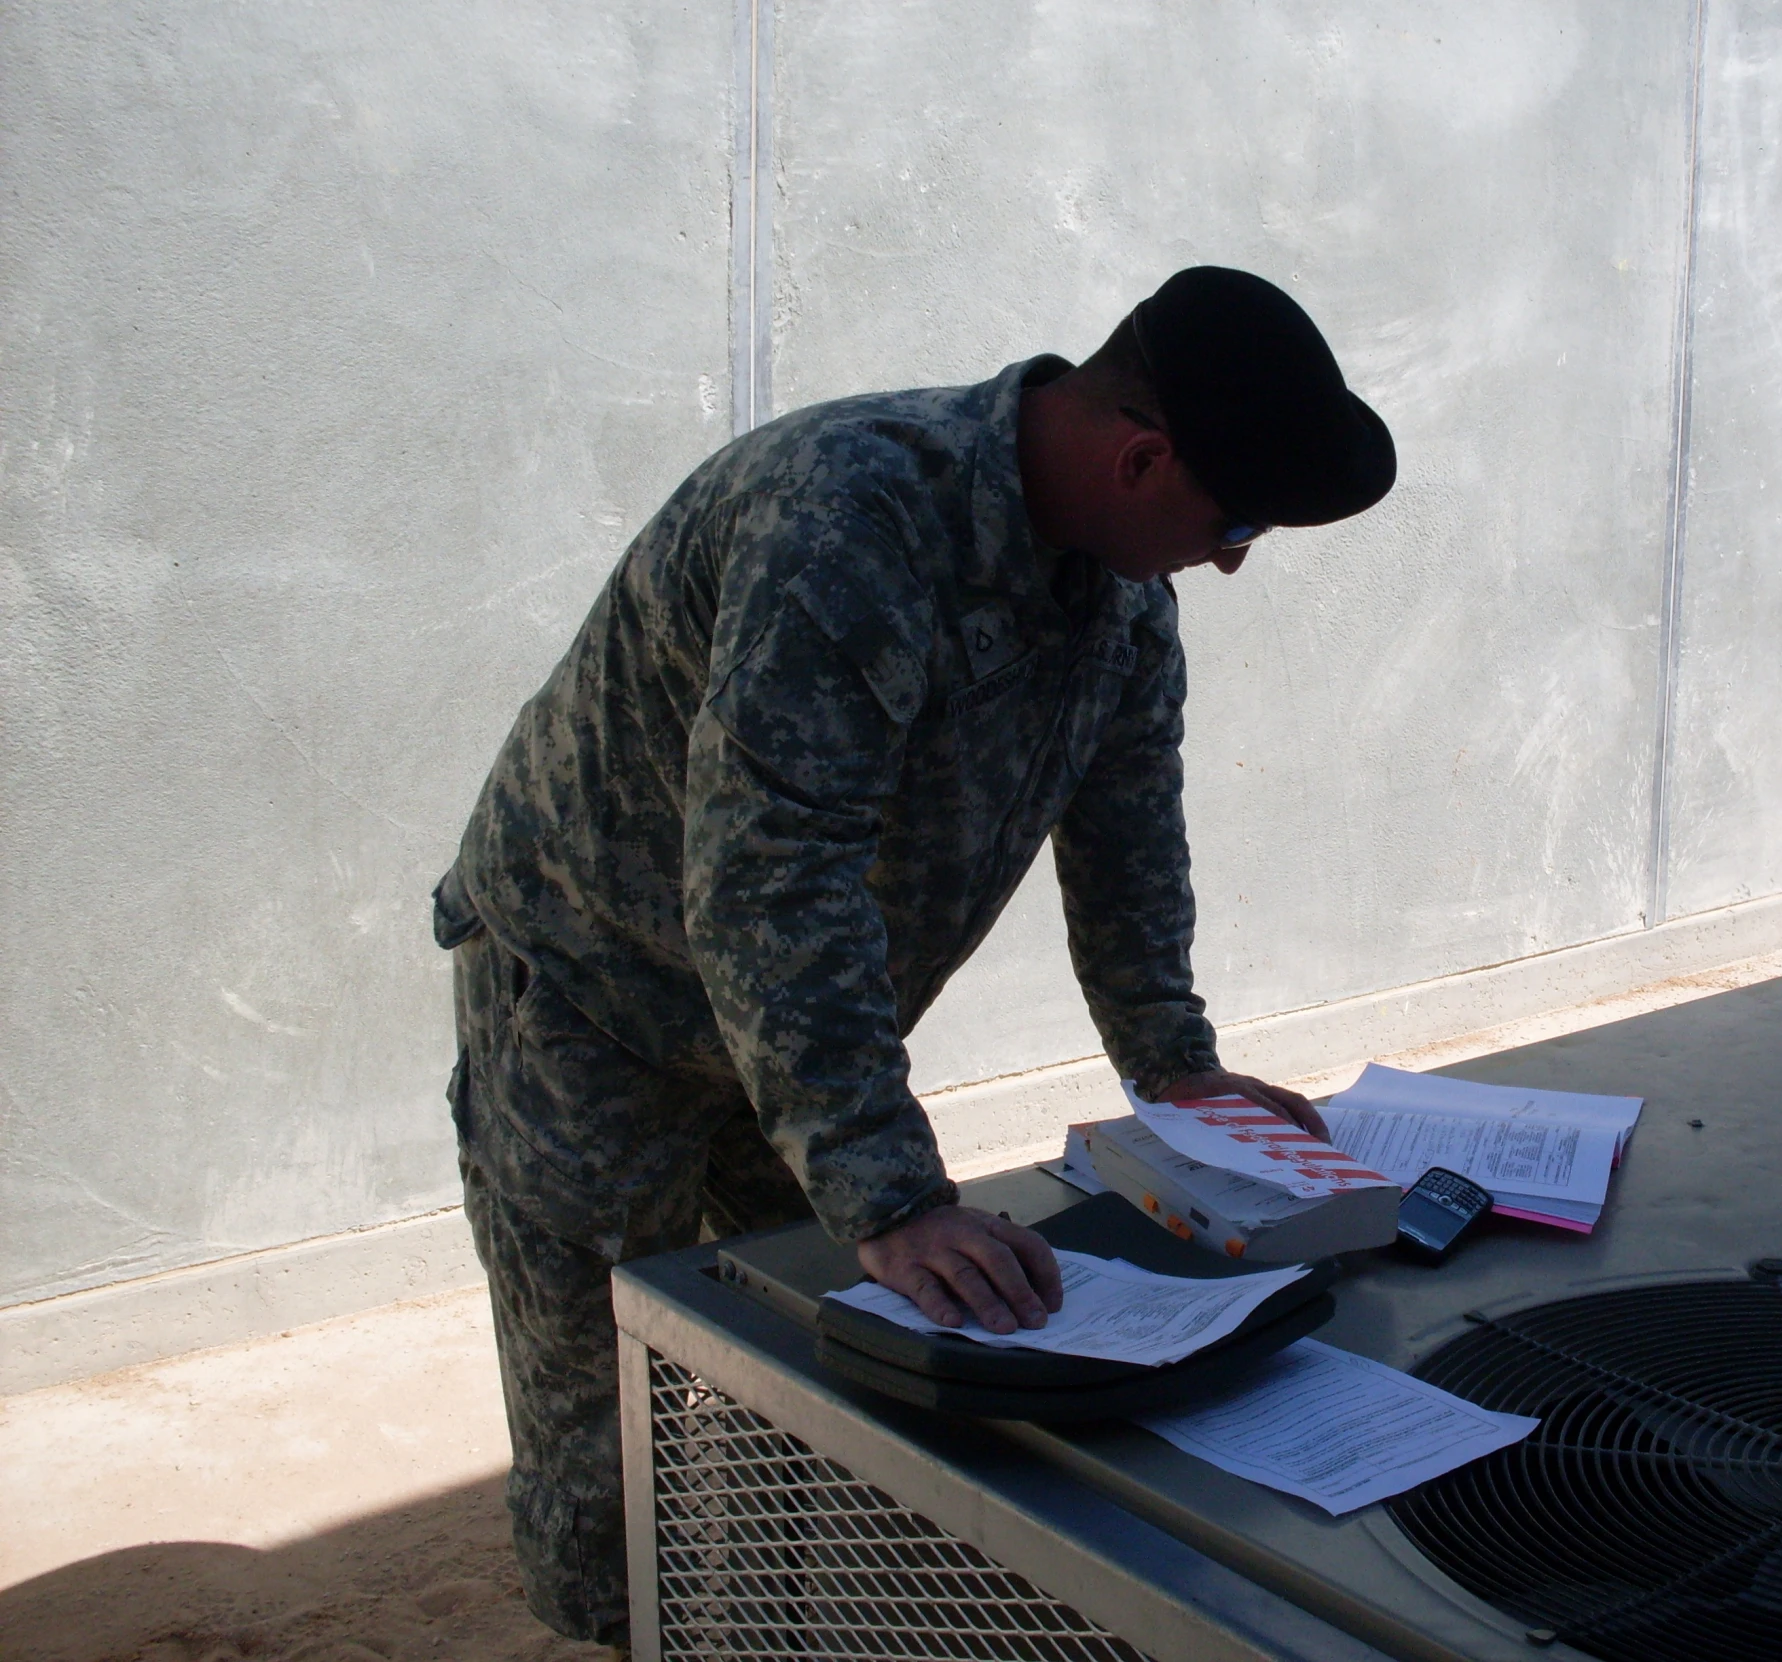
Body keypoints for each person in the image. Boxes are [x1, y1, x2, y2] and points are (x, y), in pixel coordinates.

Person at [431, 265, 1396, 1643]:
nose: (1233, 557)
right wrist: (888, 1193)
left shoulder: (1123, 601)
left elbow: (1127, 837)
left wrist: (1178, 1071)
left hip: (785, 1026)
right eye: (1233, 520)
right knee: (615, 1467)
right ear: (1140, 455)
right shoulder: (850, 522)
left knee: (808, 1402)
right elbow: (774, 870)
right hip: (596, 1006)